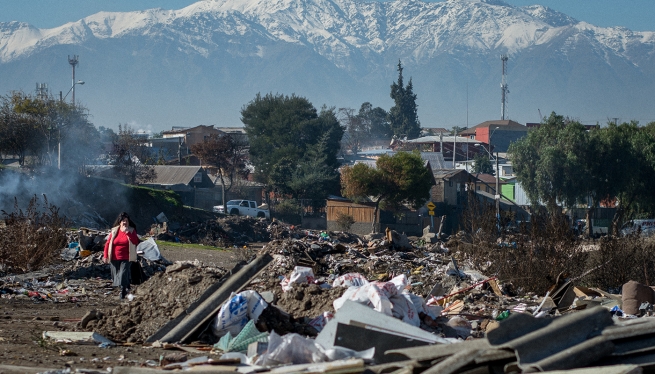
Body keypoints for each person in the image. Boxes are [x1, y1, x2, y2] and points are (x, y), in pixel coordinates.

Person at [103, 212, 139, 299]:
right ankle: (127, 286)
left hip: (127, 257)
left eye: (126, 220)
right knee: (116, 275)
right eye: (123, 221)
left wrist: (128, 234)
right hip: (114, 257)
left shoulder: (131, 230)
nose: (125, 222)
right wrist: (105, 255)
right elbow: (108, 243)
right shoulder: (115, 230)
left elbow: (135, 241)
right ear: (120, 222)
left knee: (123, 273)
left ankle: (122, 291)